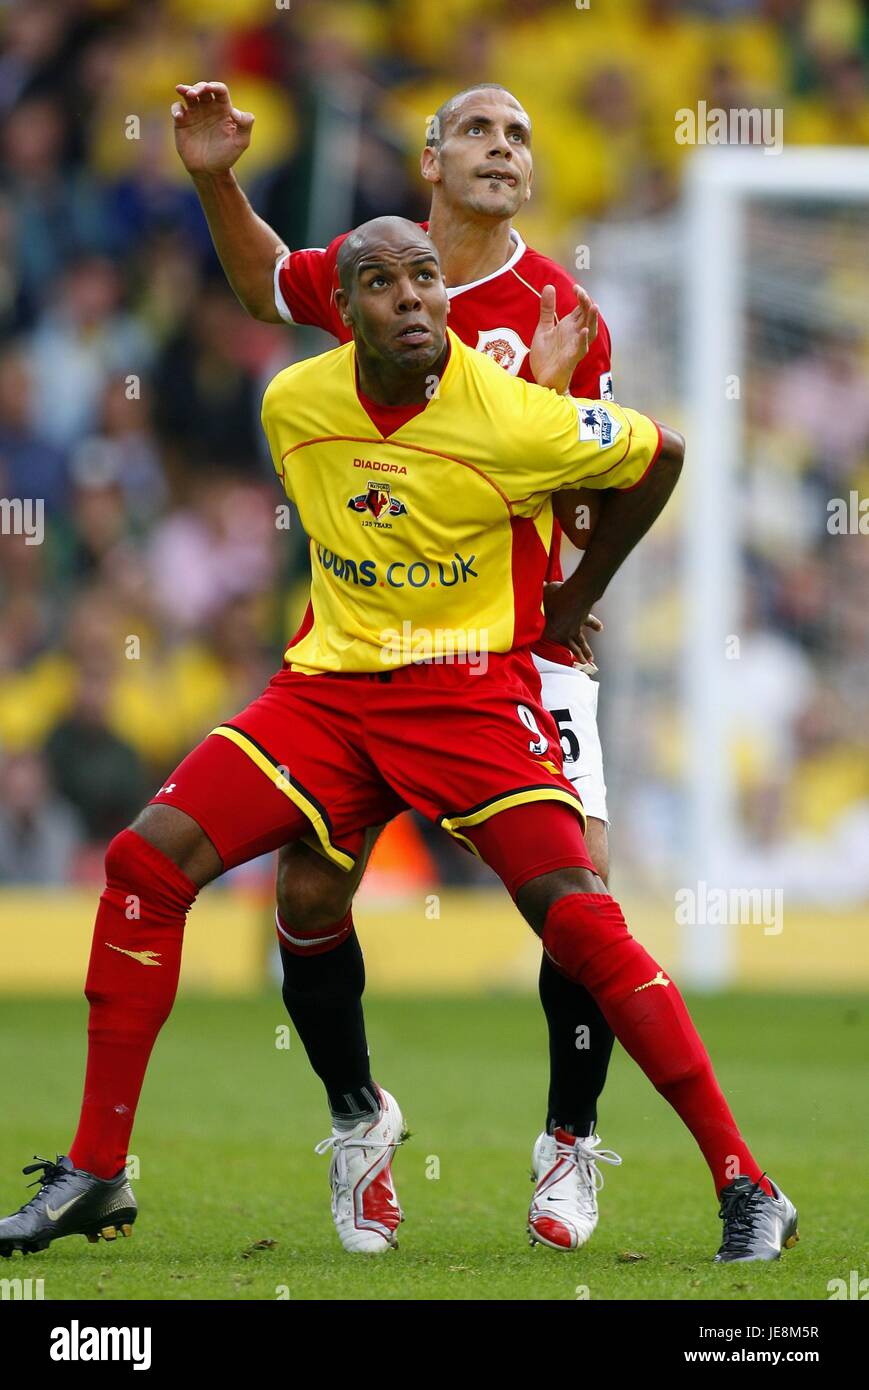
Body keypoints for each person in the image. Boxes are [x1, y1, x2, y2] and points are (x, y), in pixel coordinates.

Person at [0, 219, 797, 1265]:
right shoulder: (293, 404)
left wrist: (570, 596)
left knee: (578, 916)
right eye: (381, 283)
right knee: (146, 861)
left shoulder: (518, 415)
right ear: (345, 311)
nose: (413, 298)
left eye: (426, 277)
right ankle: (100, 1170)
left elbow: (663, 454)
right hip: (327, 695)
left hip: (469, 696)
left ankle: (745, 1183)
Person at [174, 77, 632, 1251]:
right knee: (311, 890)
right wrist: (219, 177)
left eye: (519, 134)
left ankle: (568, 1144)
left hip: (515, 646)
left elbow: (593, 477)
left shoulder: (562, 310)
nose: (499, 148)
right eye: (476, 130)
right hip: (366, 650)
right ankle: (357, 1120)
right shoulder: (381, 268)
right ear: (430, 159)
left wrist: (538, 407)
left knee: (574, 902)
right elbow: (264, 281)